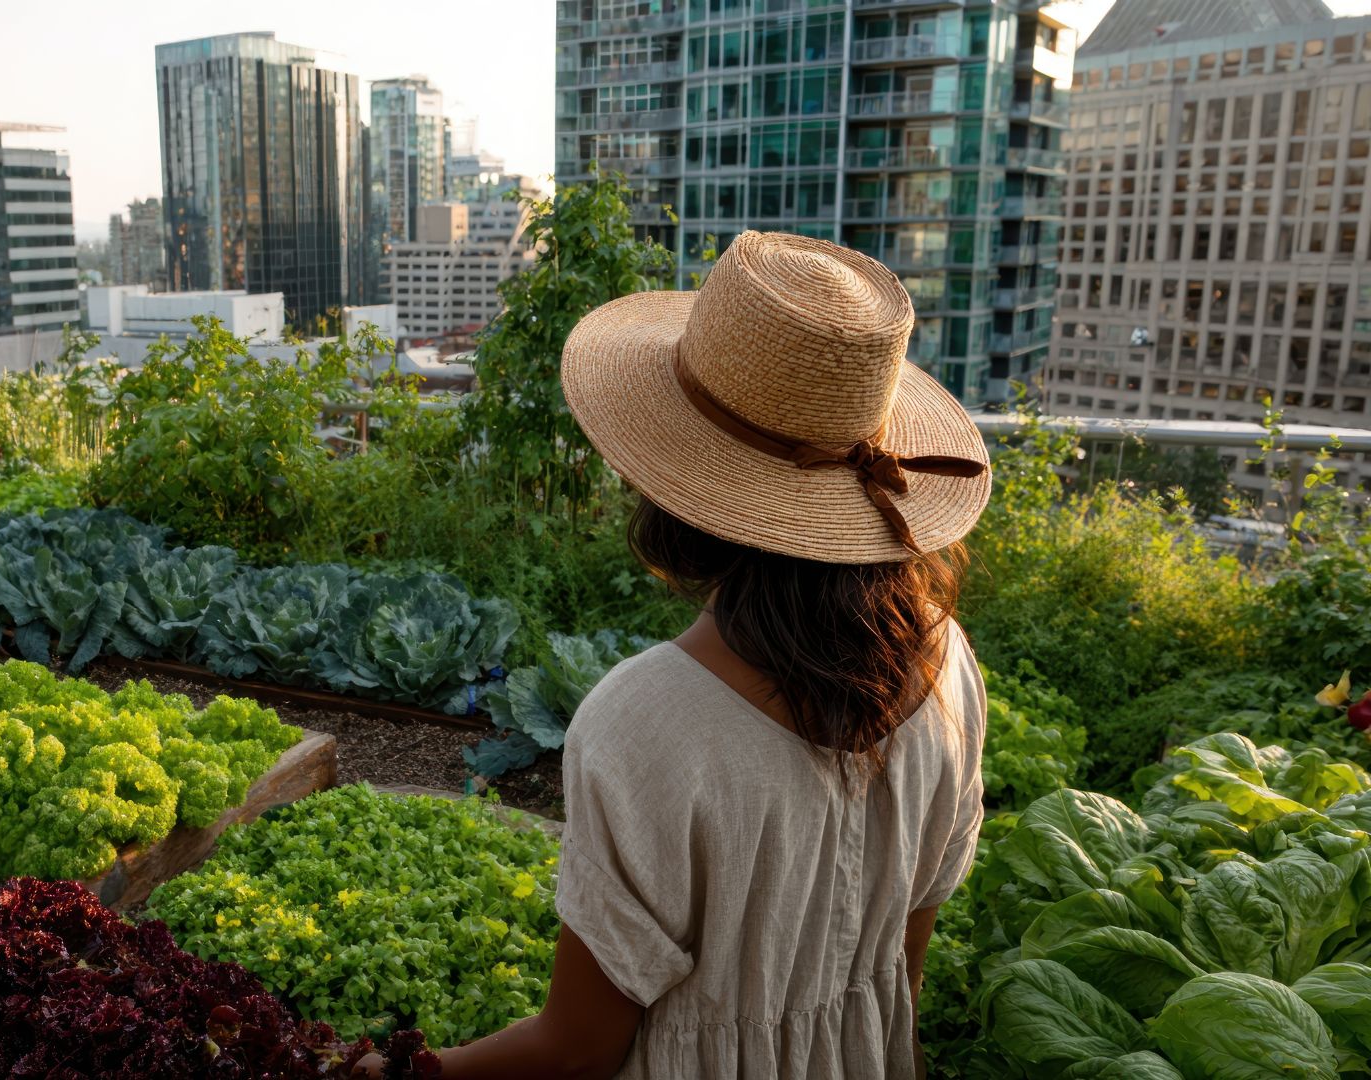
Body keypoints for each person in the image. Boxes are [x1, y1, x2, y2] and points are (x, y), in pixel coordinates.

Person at [363, 231, 991, 1079]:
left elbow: (578, 1047)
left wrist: (412, 1073)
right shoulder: (947, 664)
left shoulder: (644, 725)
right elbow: (899, 978)